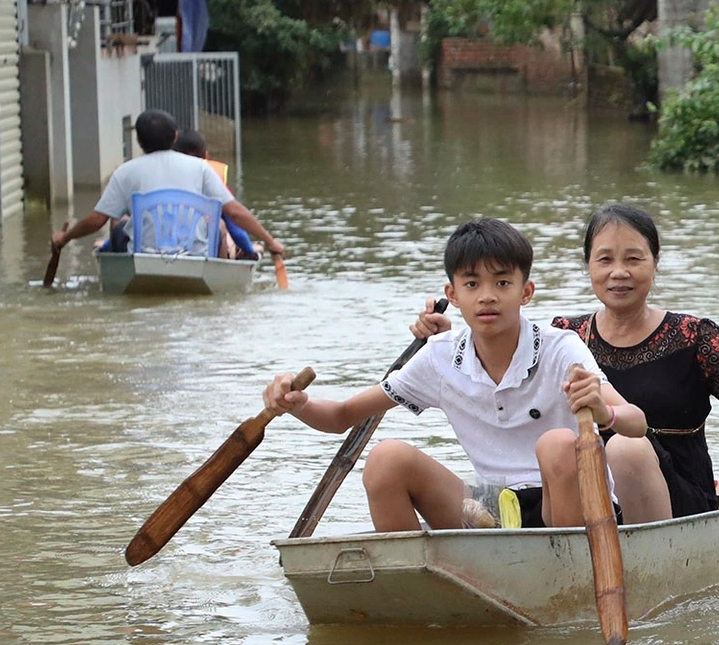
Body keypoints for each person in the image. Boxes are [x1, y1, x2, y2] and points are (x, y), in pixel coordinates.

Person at [412, 202, 719, 524]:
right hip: (584, 493)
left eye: (633, 259)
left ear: (655, 264)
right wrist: (449, 339)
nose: (618, 272)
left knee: (624, 447)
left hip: (672, 493)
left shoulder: (691, 334)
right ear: (589, 266)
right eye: (605, 259)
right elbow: (498, 353)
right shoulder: (567, 335)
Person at [264, 218, 646, 531]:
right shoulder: (440, 357)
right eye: (472, 284)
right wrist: (296, 403)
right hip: (494, 509)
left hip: (573, 508)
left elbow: (637, 423)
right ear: (454, 293)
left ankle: (567, 578)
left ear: (525, 292)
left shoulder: (561, 348)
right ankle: (415, 589)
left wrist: (601, 410)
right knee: (386, 459)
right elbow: (341, 416)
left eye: (502, 282)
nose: (487, 296)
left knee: (558, 443)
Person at [49, 109, 285, 264]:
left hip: (144, 259)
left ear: (139, 141)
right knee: (218, 226)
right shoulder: (201, 168)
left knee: (118, 223)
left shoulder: (125, 172)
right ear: (174, 137)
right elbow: (234, 211)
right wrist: (270, 241)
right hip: (196, 255)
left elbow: (96, 220)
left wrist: (65, 237)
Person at [173, 128, 254, 260]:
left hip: (163, 246)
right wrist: (249, 250)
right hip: (202, 249)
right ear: (205, 156)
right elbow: (234, 224)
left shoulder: (162, 177)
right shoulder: (213, 179)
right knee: (220, 225)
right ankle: (220, 269)